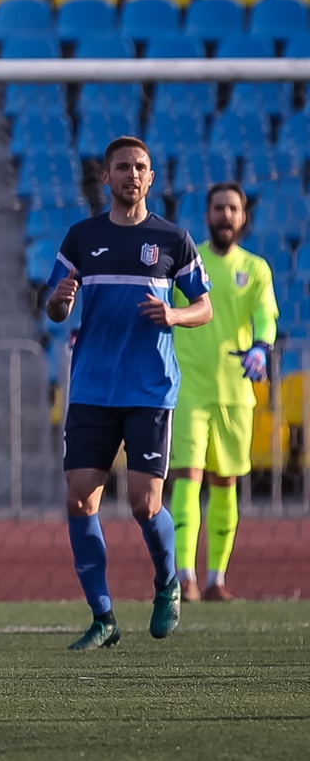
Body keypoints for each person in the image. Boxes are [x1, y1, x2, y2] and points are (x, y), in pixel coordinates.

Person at [45, 136, 213, 651]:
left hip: (148, 389)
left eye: (140, 167)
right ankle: (103, 617)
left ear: (151, 177)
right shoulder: (81, 238)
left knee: (144, 504)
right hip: (93, 388)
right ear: (106, 178)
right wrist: (59, 299)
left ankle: (167, 585)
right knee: (79, 499)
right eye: (122, 168)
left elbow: (203, 306)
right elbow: (53, 309)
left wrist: (175, 314)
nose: (132, 175)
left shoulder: (171, 239)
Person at [169, 182, 279, 602]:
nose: (226, 216)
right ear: (208, 215)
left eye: (233, 208)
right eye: (219, 208)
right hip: (189, 390)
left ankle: (216, 578)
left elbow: (266, 314)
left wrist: (261, 347)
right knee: (187, 479)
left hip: (236, 393)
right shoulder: (189, 261)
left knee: (225, 483)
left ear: (243, 216)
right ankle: (184, 576)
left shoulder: (256, 268)